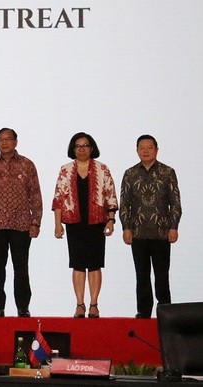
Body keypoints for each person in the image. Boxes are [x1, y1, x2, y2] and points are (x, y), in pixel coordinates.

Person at [0, 128, 43, 318]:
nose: (4, 143)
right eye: (0, 140)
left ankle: (23, 306)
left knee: (21, 268)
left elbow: (35, 194)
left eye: (8, 139)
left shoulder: (27, 165)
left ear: (16, 142)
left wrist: (36, 221)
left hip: (21, 224)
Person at [52, 132, 117, 318]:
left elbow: (110, 196)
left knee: (95, 264)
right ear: (73, 149)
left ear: (92, 148)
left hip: (97, 222)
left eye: (85, 145)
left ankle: (94, 304)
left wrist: (111, 220)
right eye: (78, 146)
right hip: (74, 223)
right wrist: (58, 225)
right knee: (78, 264)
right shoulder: (65, 169)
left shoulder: (102, 168)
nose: (82, 149)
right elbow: (58, 199)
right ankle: (79, 304)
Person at [119, 135, 182, 319]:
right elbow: (125, 204)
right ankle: (143, 313)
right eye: (141, 148)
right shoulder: (130, 174)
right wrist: (126, 227)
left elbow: (175, 203)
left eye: (149, 147)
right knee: (142, 276)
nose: (145, 151)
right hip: (137, 233)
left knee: (162, 276)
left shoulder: (167, 172)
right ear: (137, 150)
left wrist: (173, 226)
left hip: (161, 232)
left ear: (156, 149)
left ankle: (166, 314)